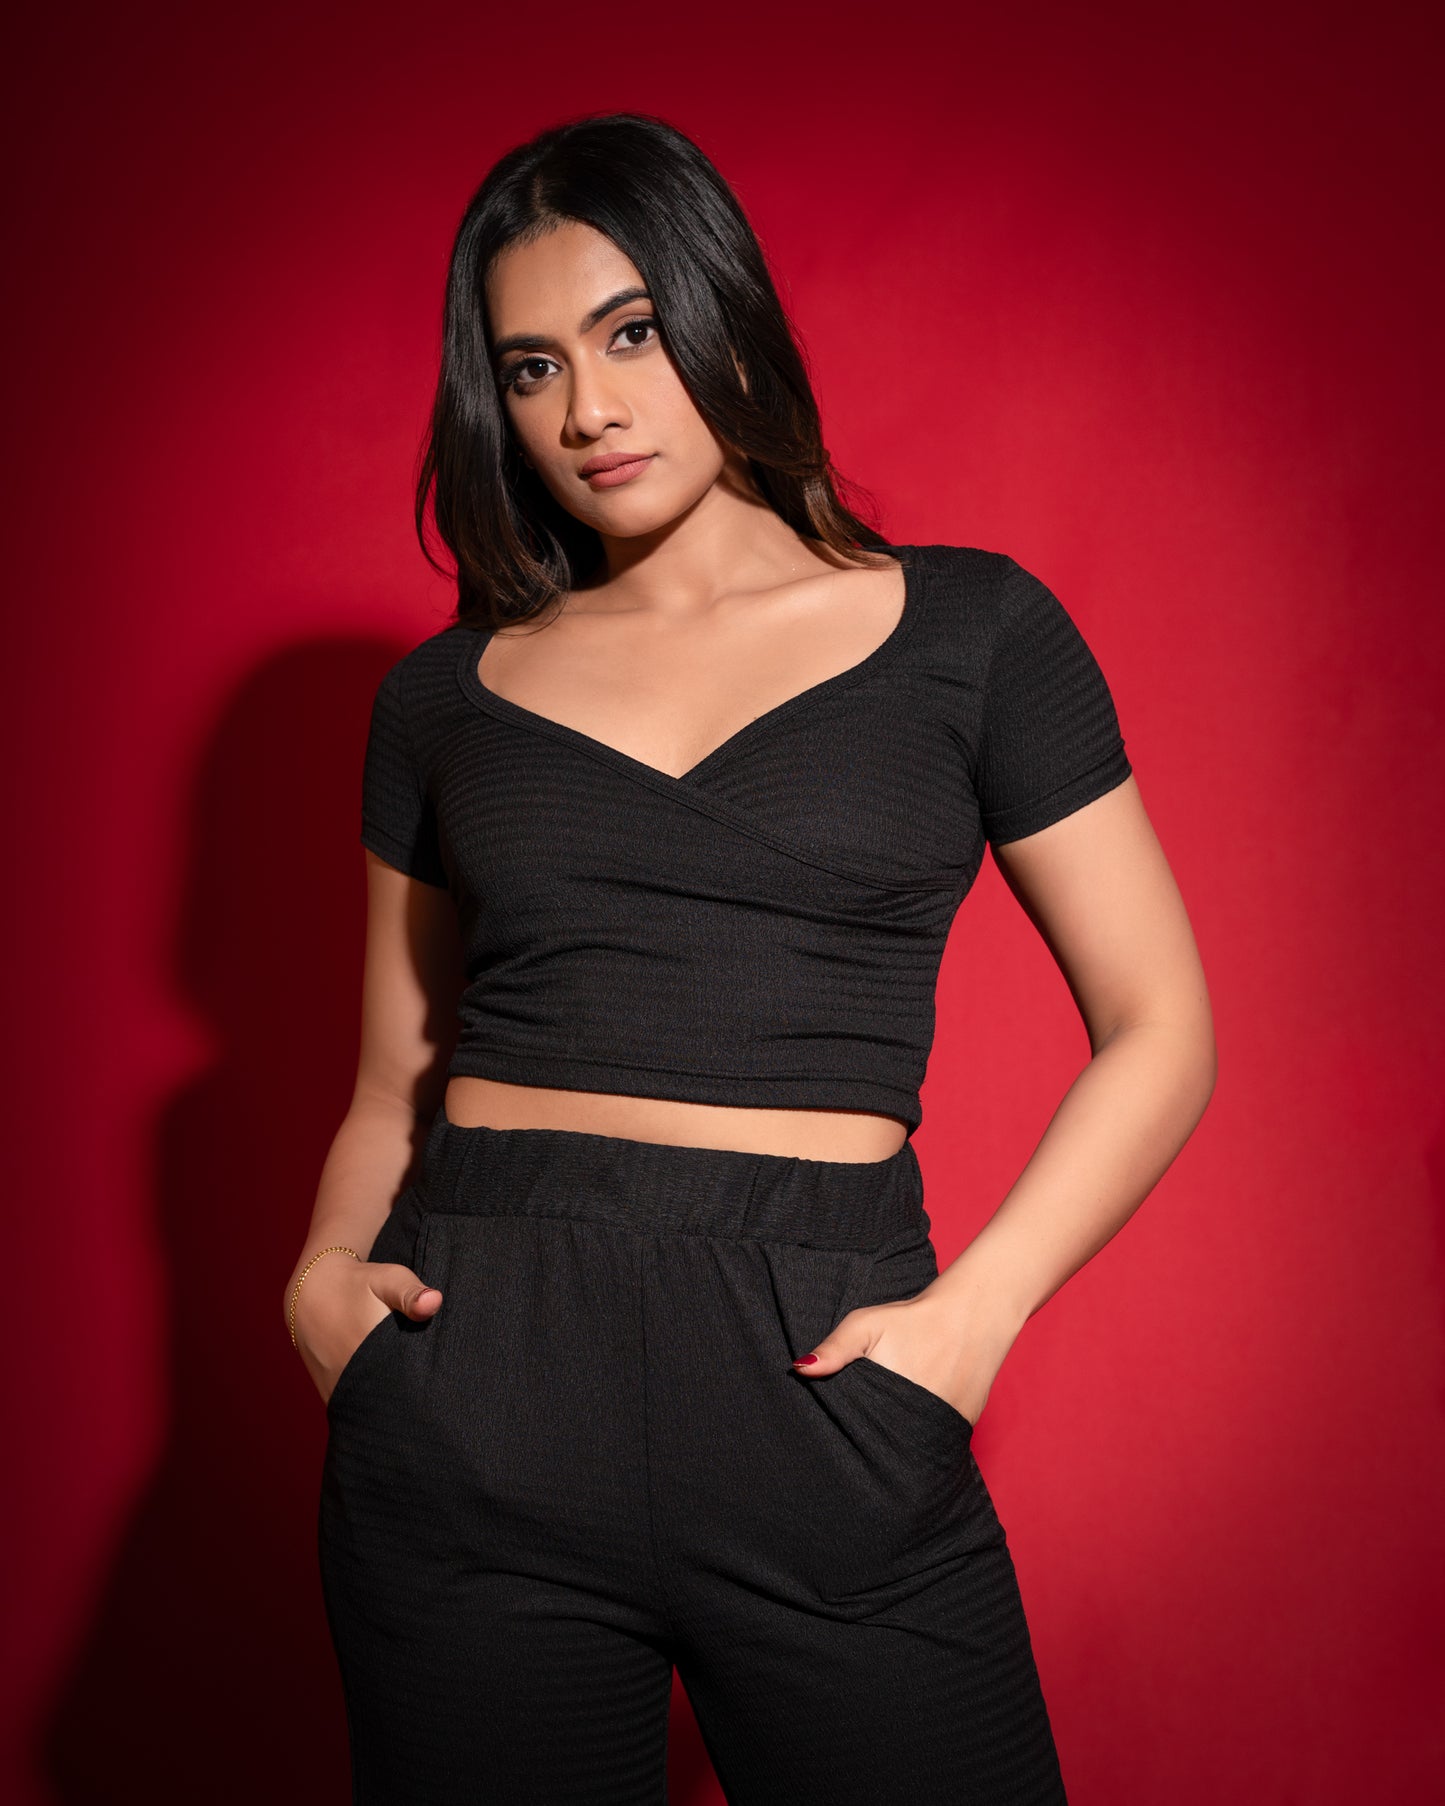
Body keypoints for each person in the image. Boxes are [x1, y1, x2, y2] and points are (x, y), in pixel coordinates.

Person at [282, 110, 1216, 1805]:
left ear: (723, 313)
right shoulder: (440, 701)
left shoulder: (974, 632)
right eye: (532, 366)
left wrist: (975, 1316)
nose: (588, 408)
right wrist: (324, 1280)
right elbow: (393, 1078)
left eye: (631, 332)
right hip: (474, 1393)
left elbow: (1159, 1024)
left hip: (820, 1385)